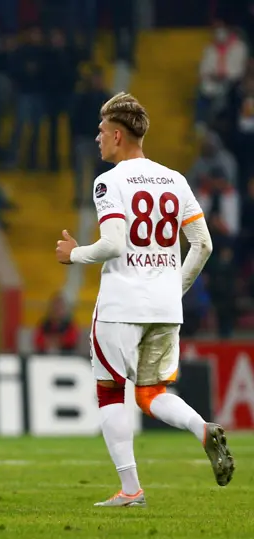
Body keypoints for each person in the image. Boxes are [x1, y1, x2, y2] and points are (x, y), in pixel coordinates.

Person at [55, 93, 234, 508]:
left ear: (117, 135)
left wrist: (74, 254)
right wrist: (175, 288)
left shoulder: (109, 182)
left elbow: (114, 244)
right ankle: (201, 428)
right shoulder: (175, 179)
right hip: (165, 308)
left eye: (101, 130)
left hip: (121, 305)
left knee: (110, 391)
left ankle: (131, 489)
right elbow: (203, 245)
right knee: (151, 393)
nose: (98, 138)